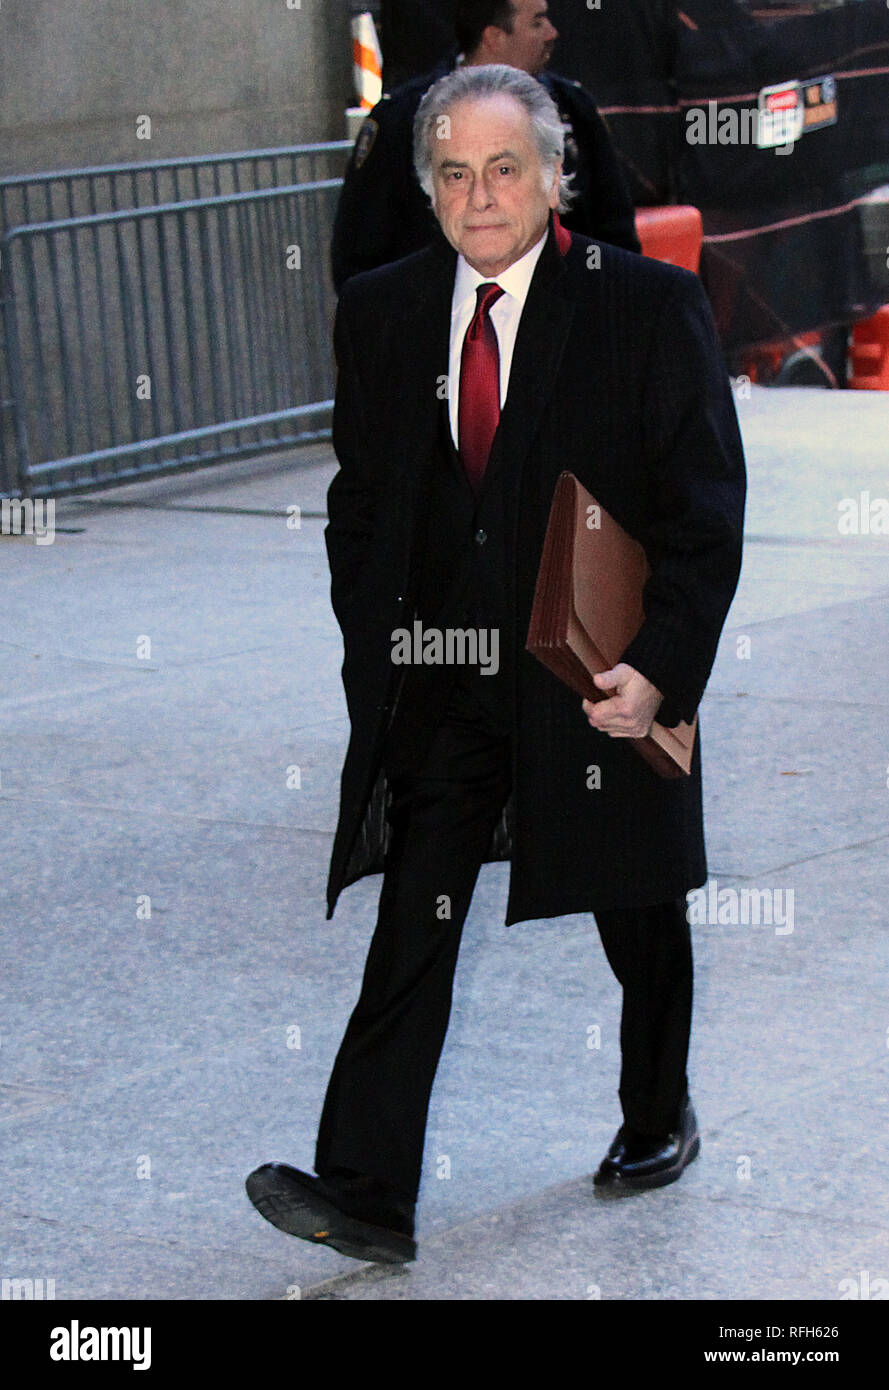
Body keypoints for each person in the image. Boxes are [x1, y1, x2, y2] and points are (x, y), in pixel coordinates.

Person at [246, 62, 746, 1266]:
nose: (480, 196)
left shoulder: (639, 307)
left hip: (593, 674)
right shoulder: (381, 311)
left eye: (504, 168)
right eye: (455, 173)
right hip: (444, 678)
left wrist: (660, 668)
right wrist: (374, 641)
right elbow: (359, 499)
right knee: (413, 922)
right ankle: (368, 1190)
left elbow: (702, 509)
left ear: (554, 174)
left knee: (635, 908)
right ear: (428, 188)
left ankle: (653, 1111)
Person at [330, 0, 640, 291]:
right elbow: (359, 253)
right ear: (494, 37)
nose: (552, 33)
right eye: (537, 23)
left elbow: (614, 229)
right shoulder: (403, 120)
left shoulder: (572, 109)